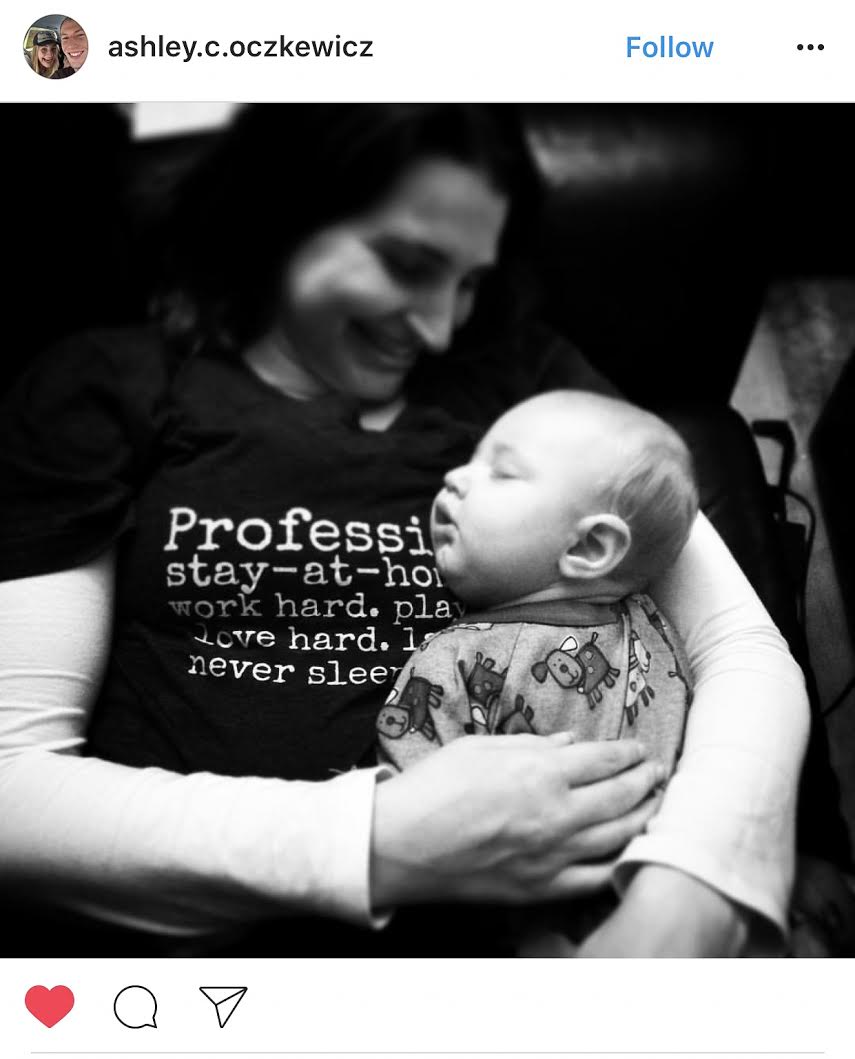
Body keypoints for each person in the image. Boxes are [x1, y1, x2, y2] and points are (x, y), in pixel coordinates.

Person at [0, 104, 808, 958]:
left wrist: (689, 894)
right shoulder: (109, 385)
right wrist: (379, 842)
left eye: (467, 282)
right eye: (408, 265)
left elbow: (735, 647)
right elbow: (14, 788)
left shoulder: (525, 384)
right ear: (278, 214)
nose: (439, 327)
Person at [376, 390, 698, 951]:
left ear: (590, 546)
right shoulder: (661, 631)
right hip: (660, 907)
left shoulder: (457, 657)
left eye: (501, 472)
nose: (454, 477)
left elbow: (412, 813)